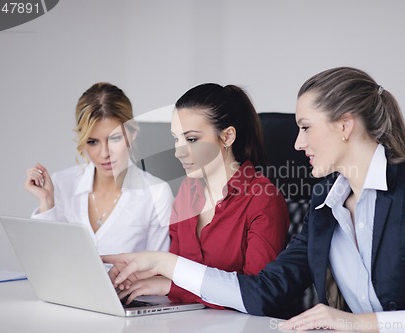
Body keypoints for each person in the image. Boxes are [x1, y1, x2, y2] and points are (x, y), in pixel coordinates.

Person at [103, 68, 405, 332]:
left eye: (305, 128)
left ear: (345, 125)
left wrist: (358, 324)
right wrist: (165, 265)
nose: (297, 144)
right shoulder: (324, 205)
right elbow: (264, 292)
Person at [110, 83, 290, 309]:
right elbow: (181, 274)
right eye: (176, 139)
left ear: (227, 137)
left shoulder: (263, 199)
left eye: (191, 139)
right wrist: (146, 281)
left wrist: (170, 285)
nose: (178, 152)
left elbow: (257, 296)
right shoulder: (188, 192)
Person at [25, 82, 173, 255]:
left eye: (115, 138)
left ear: (132, 134)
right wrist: (47, 202)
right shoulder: (61, 184)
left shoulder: (157, 193)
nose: (104, 153)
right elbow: (45, 259)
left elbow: (158, 271)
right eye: (92, 142)